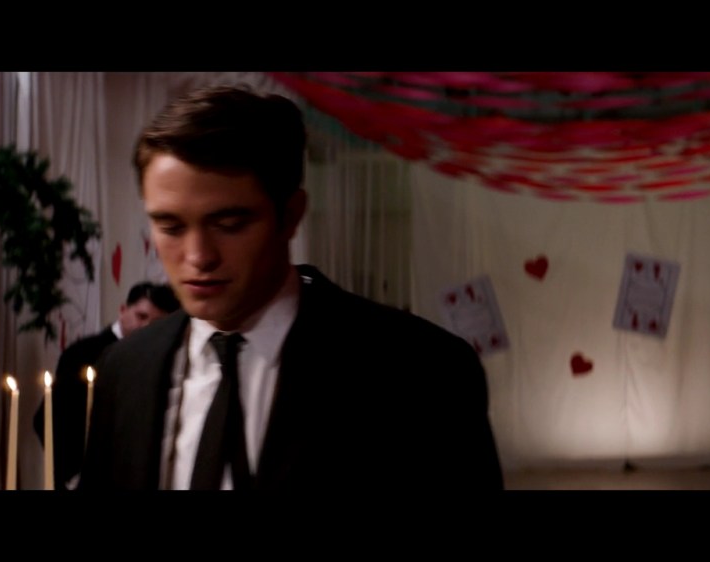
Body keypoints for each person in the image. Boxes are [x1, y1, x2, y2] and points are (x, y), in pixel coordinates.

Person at [79, 84, 504, 491]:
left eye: (230, 224)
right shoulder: (124, 370)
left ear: (291, 216)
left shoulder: (421, 373)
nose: (198, 256)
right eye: (171, 227)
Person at [34, 281, 179, 488]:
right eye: (141, 316)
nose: (147, 328)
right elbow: (48, 418)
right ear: (123, 311)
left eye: (157, 323)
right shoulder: (84, 353)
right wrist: (72, 473)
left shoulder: (165, 359)